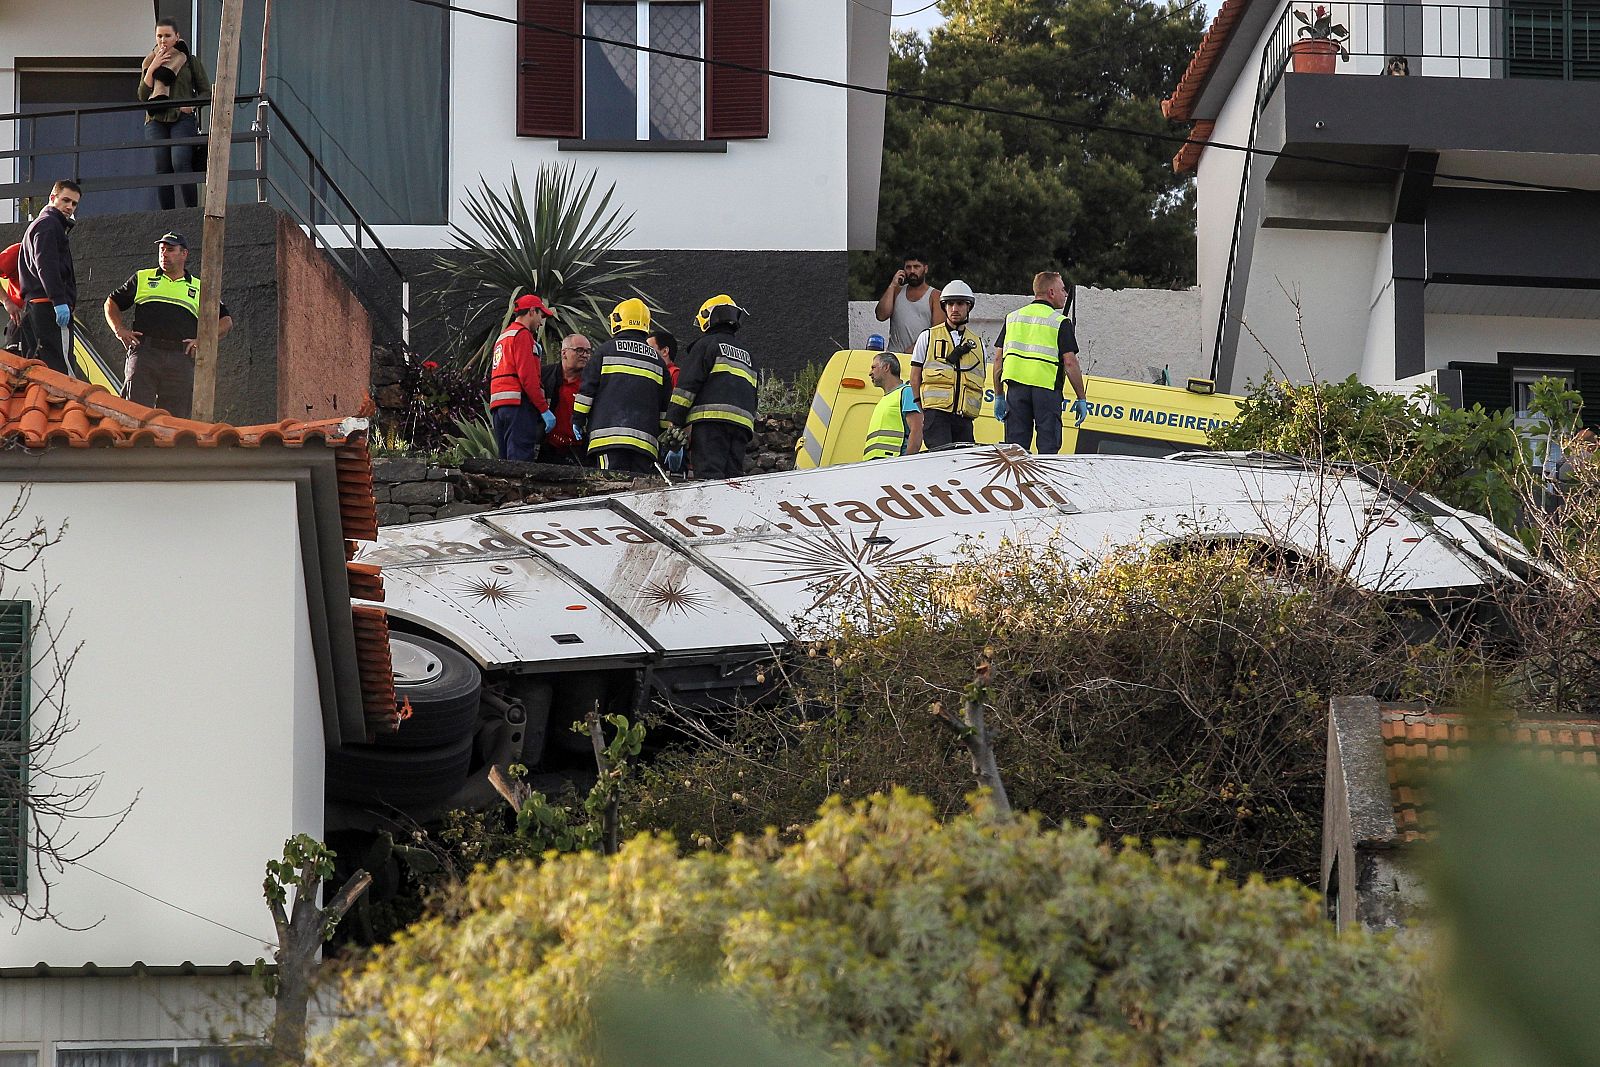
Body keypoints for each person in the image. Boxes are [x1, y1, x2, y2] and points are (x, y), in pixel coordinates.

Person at [104, 231, 233, 417]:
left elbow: (226, 321)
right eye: (161, 249)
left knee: (176, 421)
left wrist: (203, 340)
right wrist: (119, 329)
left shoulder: (199, 287)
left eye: (170, 250)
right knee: (133, 414)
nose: (164, 254)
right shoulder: (143, 277)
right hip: (144, 353)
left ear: (184, 254)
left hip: (180, 357)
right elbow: (111, 302)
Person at [992, 271, 1088, 455]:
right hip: (1046, 391)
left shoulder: (1012, 318)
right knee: (1048, 451)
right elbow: (1070, 363)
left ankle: (1016, 484)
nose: (1065, 294)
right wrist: (1081, 397)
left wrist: (999, 395)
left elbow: (998, 360)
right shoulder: (1060, 322)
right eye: (1062, 289)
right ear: (1051, 292)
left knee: (1015, 451)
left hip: (1016, 391)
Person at [573, 298, 673, 474]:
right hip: (645, 445)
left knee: (610, 487)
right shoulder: (658, 361)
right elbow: (665, 408)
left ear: (618, 320)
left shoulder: (605, 351)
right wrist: (664, 439)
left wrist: (578, 420)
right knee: (638, 493)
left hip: (608, 439)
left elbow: (587, 392)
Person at [667, 295, 759, 480]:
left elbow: (687, 387)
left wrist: (674, 420)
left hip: (711, 425)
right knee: (733, 479)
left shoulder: (706, 345)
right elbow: (754, 395)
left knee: (710, 476)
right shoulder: (749, 355)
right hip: (741, 428)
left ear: (708, 318)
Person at [139, 18, 210, 211]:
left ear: (177, 37)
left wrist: (192, 106)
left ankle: (192, 210)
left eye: (167, 36)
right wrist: (153, 68)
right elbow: (143, 95)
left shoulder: (189, 60)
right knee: (162, 167)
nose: (163, 40)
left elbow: (206, 92)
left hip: (182, 118)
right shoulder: (148, 61)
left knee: (180, 161)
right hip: (155, 120)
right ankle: (167, 215)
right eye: (159, 36)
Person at [909, 279, 985, 450]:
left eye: (959, 304)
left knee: (965, 465)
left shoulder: (978, 344)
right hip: (937, 416)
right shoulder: (928, 337)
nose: (954, 309)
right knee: (941, 461)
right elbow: (915, 377)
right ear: (944, 307)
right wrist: (923, 408)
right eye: (950, 304)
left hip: (964, 419)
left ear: (968, 307)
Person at [17, 180, 81, 377]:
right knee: (61, 373)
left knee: (40, 370)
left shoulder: (42, 225)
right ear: (52, 198)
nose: (70, 207)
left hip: (38, 307)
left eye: (74, 204)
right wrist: (59, 301)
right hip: (48, 308)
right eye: (65, 200)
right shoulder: (48, 225)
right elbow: (47, 266)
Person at [486, 293, 557, 461]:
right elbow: (528, 377)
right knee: (520, 461)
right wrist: (544, 409)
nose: (541, 322)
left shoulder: (503, 337)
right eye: (541, 315)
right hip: (518, 405)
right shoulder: (523, 335)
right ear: (532, 311)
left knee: (504, 462)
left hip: (499, 406)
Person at [873, 252, 944, 353]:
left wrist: (915, 348)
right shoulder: (896, 291)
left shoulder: (935, 296)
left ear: (925, 269)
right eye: (908, 267)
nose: (912, 271)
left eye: (916, 267)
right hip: (894, 356)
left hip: (921, 357)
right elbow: (881, 315)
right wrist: (892, 285)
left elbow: (937, 331)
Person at [540, 332, 592, 466]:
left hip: (579, 452)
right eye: (579, 350)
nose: (585, 355)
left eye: (588, 351)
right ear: (564, 353)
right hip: (547, 448)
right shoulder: (544, 376)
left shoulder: (591, 384)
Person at [863, 352, 923, 461]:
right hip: (875, 466)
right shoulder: (885, 400)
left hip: (893, 466)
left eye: (873, 367)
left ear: (886, 367)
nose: (870, 373)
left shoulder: (906, 392)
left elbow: (917, 429)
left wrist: (906, 463)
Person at [0, 242, 27, 356]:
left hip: (42, 320)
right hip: (19, 320)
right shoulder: (19, 252)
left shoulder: (56, 255)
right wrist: (6, 301)